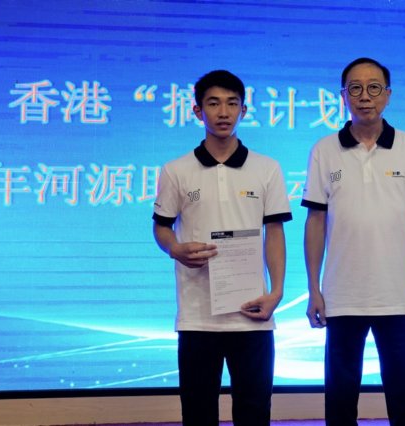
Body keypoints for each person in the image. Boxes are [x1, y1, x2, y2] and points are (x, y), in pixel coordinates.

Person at [302, 57, 405, 426]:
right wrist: (313, 289)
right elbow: (315, 221)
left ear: (388, 95)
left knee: (404, 395)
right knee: (340, 397)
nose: (365, 96)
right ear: (343, 96)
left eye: (374, 88)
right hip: (341, 295)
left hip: (400, 296)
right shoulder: (324, 150)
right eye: (356, 88)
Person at [152, 69, 292, 426]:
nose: (224, 112)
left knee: (254, 413)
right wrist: (175, 249)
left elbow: (274, 232)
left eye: (232, 104)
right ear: (198, 111)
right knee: (198, 414)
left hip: (253, 314)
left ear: (243, 110)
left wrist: (276, 292)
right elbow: (162, 228)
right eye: (213, 104)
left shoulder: (266, 168)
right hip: (198, 317)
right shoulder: (176, 170)